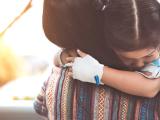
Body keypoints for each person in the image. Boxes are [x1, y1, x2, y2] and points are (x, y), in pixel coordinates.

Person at [34, 0, 160, 119]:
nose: (138, 64)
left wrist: (98, 72)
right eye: (129, 59)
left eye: (149, 55)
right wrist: (63, 57)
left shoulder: (60, 80)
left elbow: (149, 88)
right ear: (112, 46)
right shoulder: (80, 64)